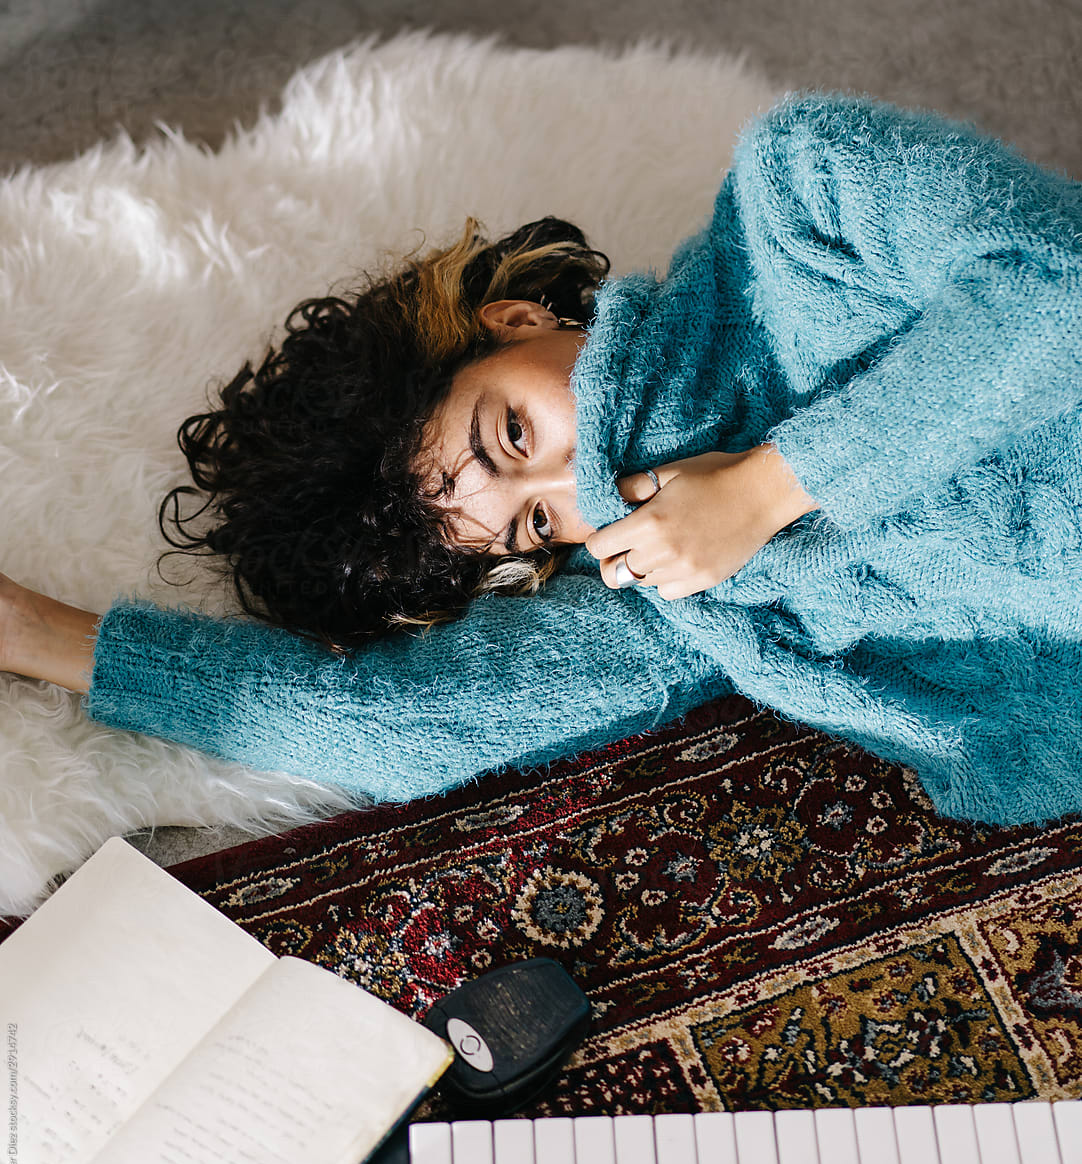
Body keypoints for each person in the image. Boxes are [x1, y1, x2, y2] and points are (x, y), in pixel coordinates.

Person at [2, 92, 1081, 828]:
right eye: (528, 525)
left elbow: (1056, 282)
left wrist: (770, 486)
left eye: (510, 436)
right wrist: (41, 635)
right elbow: (390, 725)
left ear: (511, 318)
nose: (574, 491)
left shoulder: (799, 194)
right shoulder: (652, 590)